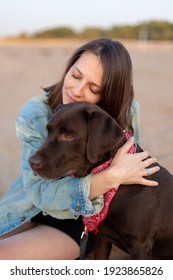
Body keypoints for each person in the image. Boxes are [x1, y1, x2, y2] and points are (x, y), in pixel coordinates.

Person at [0, 38, 160, 260]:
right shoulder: (36, 114)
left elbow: (128, 169)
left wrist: (110, 179)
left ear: (109, 95)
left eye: (93, 88)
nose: (76, 90)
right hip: (35, 205)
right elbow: (39, 193)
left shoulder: (125, 112)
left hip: (85, 216)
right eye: (75, 75)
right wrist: (109, 177)